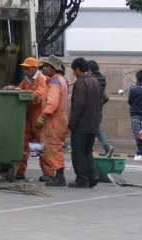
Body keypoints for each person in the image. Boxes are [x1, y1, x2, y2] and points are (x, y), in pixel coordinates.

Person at [6, 57, 48, 180]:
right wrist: (14, 89)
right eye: (24, 68)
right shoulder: (27, 80)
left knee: (42, 146)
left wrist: (23, 92)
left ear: (35, 68)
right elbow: (21, 89)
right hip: (28, 117)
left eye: (27, 68)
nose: (25, 70)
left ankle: (49, 173)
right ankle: (19, 173)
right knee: (24, 146)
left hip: (38, 117)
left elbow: (39, 96)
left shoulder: (41, 80)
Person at [67, 57, 102, 188]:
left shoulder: (80, 83)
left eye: (74, 70)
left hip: (81, 125)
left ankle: (81, 178)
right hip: (93, 124)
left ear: (77, 69)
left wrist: (71, 123)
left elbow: (78, 105)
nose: (74, 73)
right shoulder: (95, 81)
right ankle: (93, 176)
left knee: (78, 153)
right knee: (88, 150)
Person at [36, 55, 69, 186]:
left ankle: (60, 177)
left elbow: (52, 103)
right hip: (60, 120)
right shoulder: (61, 80)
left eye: (47, 66)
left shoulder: (55, 83)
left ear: (53, 68)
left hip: (54, 120)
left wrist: (44, 116)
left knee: (54, 148)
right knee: (56, 148)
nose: (44, 69)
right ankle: (57, 175)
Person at [88, 60, 114, 157]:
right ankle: (106, 147)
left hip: (91, 109)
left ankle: (106, 146)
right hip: (99, 108)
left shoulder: (91, 79)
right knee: (95, 129)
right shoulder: (102, 78)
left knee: (94, 129)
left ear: (90, 69)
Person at [128, 70, 142, 161]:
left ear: (137, 78)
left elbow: (130, 101)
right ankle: (139, 152)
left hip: (135, 113)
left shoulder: (133, 89)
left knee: (137, 133)